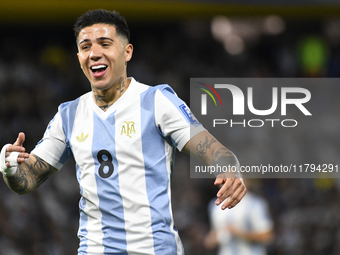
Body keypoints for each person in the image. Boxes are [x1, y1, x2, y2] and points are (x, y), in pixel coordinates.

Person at [0, 9, 246, 255]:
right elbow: (27, 179)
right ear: (79, 57)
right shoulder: (68, 115)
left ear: (127, 51)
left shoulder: (156, 101)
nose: (94, 53)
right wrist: (10, 167)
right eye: (85, 47)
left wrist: (229, 167)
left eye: (105, 44)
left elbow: (212, 148)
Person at [204, 179, 274, 255]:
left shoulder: (255, 203)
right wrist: (210, 241)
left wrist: (238, 233)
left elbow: (268, 236)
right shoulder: (215, 205)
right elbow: (214, 234)